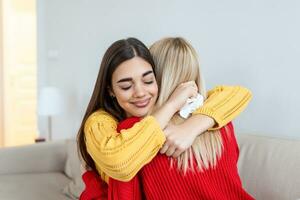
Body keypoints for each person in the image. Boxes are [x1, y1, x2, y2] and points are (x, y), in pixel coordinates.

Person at [77, 37, 252, 199]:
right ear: (110, 89)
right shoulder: (223, 123)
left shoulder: (130, 132)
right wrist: (173, 106)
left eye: (147, 81)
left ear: (158, 78)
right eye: (126, 86)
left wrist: (189, 128)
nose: (140, 93)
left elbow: (239, 93)